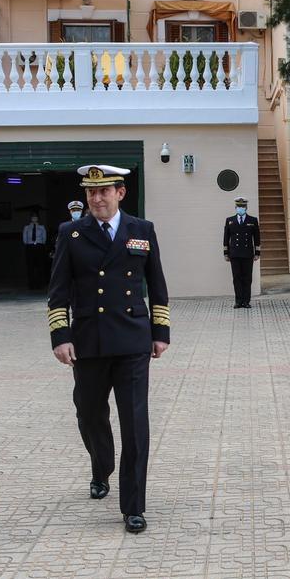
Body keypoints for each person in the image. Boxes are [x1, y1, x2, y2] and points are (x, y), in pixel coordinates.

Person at [48, 164, 170, 534]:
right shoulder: (71, 233)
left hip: (132, 339)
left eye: (103, 192)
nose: (96, 199)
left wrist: (160, 330)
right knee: (89, 413)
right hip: (88, 341)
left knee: (135, 423)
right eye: (90, 192)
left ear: (120, 193)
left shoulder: (141, 230)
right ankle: (101, 466)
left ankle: (133, 505)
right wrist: (60, 336)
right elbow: (59, 289)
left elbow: (157, 283)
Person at [223, 196, 260, 309]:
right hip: (234, 254)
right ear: (235, 207)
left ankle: (246, 301)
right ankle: (238, 301)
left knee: (247, 278)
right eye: (239, 206)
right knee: (237, 278)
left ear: (246, 207)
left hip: (248, 254)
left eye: (243, 206)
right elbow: (226, 237)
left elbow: (257, 237)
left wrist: (257, 252)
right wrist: (226, 253)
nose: (241, 208)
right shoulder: (230, 220)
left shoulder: (252, 220)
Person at [22, 210, 48, 289]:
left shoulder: (41, 227)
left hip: (39, 247)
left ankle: (40, 284)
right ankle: (31, 284)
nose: (34, 219)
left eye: (35, 217)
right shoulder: (27, 227)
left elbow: (44, 238)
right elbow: (24, 238)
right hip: (30, 247)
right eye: (33, 217)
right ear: (30, 218)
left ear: (38, 218)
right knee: (30, 266)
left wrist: (40, 244)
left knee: (40, 266)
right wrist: (28, 244)